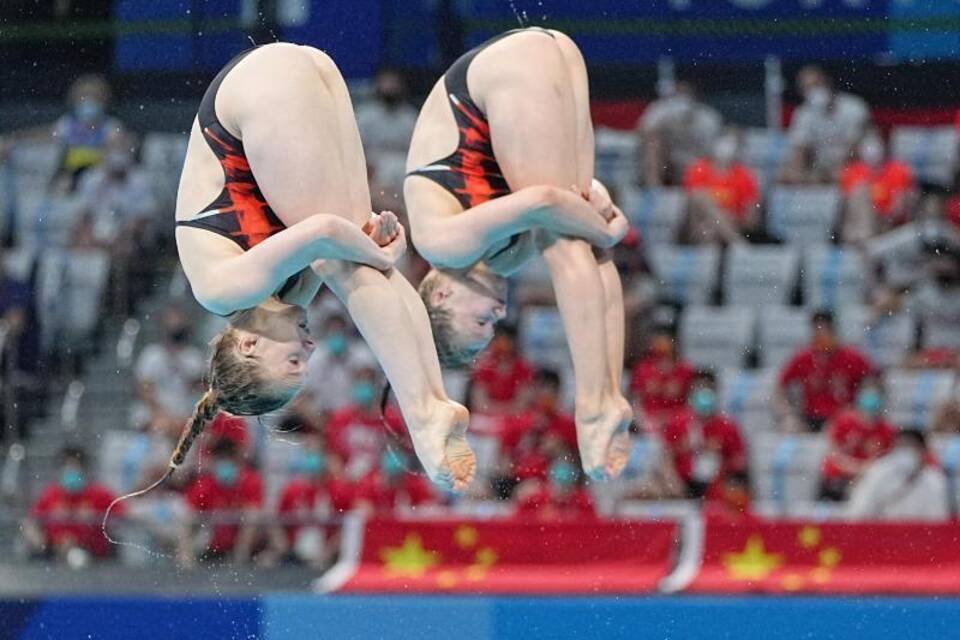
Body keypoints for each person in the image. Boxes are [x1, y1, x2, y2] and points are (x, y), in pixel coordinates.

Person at [170, 43, 473, 491]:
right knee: (356, 260)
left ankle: (422, 414)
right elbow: (352, 241)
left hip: (254, 95)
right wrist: (380, 245)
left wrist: (375, 252)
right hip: (297, 76)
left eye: (293, 359)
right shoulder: (289, 295)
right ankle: (434, 399)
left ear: (249, 346)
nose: (310, 349)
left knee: (345, 261)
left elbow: (324, 232)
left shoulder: (221, 291)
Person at [405, 28, 631, 480]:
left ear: (442, 298)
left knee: (565, 239)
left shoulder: (439, 244)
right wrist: (605, 226)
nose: (501, 313)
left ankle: (591, 406)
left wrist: (606, 234)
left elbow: (546, 201)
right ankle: (608, 390)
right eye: (493, 324)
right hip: (554, 56)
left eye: (482, 321)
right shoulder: (502, 258)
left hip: (496, 75)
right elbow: (586, 210)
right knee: (578, 242)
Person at [1, 74, 125, 189]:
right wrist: (16, 138)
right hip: (68, 175)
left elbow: (118, 148)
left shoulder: (111, 126)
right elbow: (47, 135)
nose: (88, 101)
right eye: (83, 97)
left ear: (104, 101)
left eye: (94, 97)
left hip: (98, 176)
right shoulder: (68, 124)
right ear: (75, 101)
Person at [775, 310, 873, 432]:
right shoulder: (803, 357)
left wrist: (865, 407)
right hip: (811, 419)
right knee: (791, 430)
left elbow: (872, 381)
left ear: (834, 331)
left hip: (845, 419)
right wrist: (787, 414)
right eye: (818, 330)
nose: (822, 335)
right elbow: (780, 387)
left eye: (826, 330)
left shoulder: (851, 357)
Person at [265, 437, 354, 567]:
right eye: (308, 454)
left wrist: (328, 552)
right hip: (294, 553)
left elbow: (349, 526)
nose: (311, 459)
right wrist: (285, 550)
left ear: (325, 459)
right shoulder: (292, 489)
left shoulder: (339, 490)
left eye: (315, 455)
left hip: (327, 555)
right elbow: (276, 522)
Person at [22, 447, 121, 563]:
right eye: (67, 468)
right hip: (53, 555)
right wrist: (40, 540)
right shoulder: (50, 494)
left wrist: (96, 518)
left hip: (93, 557)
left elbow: (123, 517)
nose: (71, 473)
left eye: (75, 468)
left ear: (84, 470)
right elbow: (30, 521)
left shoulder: (100, 494)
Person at [660, 371, 748, 501]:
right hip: (682, 486)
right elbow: (665, 458)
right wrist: (674, 484)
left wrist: (718, 456)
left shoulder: (727, 426)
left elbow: (740, 462)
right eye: (699, 389)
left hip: (717, 487)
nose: (704, 394)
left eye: (708, 389)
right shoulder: (677, 422)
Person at [178, 438, 263, 566]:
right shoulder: (205, 484)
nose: (225, 464)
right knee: (187, 520)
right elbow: (189, 515)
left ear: (237, 462)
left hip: (242, 539)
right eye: (221, 459)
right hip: (212, 537)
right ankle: (187, 563)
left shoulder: (251, 481)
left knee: (253, 516)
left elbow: (254, 513)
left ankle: (240, 560)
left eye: (228, 459)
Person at [780, 65, 870, 184]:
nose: (813, 91)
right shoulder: (803, 113)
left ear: (827, 82)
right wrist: (798, 171)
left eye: (815, 85)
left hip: (850, 164)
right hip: (820, 168)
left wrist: (837, 169)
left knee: (842, 174)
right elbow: (799, 148)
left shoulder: (854, 107)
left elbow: (856, 147)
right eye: (807, 88)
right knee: (785, 175)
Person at [845, 429, 949, 521]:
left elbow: (938, 520)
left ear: (923, 451)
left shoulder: (934, 479)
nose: (906, 452)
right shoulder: (878, 472)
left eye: (911, 446)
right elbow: (859, 512)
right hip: (883, 536)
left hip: (921, 537)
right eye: (902, 447)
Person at [819, 378, 897, 501]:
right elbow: (832, 453)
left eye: (876, 394)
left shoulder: (888, 430)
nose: (872, 398)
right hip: (839, 480)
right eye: (868, 393)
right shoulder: (842, 421)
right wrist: (856, 468)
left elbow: (888, 461)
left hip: (871, 482)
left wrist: (867, 471)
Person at [133, 307, 206, 437]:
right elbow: (145, 390)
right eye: (171, 325)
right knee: (159, 427)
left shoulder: (193, 357)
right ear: (163, 328)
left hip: (184, 415)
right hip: (156, 416)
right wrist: (161, 414)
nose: (175, 328)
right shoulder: (151, 355)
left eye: (178, 325)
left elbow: (200, 390)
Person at [637, 80, 723, 187]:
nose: (682, 100)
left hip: (695, 162)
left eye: (685, 94)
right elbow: (644, 132)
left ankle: (703, 189)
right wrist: (666, 121)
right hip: (669, 164)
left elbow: (713, 150)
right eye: (679, 94)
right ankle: (654, 189)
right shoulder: (661, 110)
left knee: (717, 155)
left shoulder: (708, 117)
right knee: (653, 143)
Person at [682, 129, 760, 245]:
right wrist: (719, 217)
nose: (727, 147)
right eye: (725, 141)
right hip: (697, 224)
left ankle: (733, 246)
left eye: (733, 143)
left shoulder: (744, 176)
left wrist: (728, 218)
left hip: (731, 225)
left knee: (709, 231)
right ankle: (738, 244)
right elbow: (692, 204)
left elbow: (751, 219)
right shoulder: (699, 169)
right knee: (700, 199)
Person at [839, 130, 916, 244]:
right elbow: (846, 206)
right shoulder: (852, 172)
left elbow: (899, 207)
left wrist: (883, 217)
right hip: (860, 224)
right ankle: (864, 238)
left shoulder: (898, 170)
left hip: (888, 224)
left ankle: (868, 238)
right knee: (860, 192)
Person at [629, 326, 696, 428]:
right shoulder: (643, 369)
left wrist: (671, 418)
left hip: (678, 419)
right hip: (649, 419)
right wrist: (641, 420)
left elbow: (693, 401)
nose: (662, 344)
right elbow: (635, 399)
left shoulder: (685, 369)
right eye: (659, 339)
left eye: (666, 339)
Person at [469, 324, 535, 417]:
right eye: (499, 340)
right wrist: (496, 414)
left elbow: (522, 403)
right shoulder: (484, 366)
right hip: (487, 416)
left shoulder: (524, 368)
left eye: (506, 341)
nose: (502, 344)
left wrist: (504, 414)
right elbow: (479, 403)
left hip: (514, 417)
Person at [355, 449, 438, 516]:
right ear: (383, 473)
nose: (395, 482)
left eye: (398, 478)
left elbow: (430, 506)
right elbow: (361, 505)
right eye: (392, 478)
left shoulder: (411, 484)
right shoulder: (370, 484)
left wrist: (415, 511)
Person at [515, 457, 596, 520]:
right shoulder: (535, 500)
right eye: (558, 486)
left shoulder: (583, 501)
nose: (562, 491)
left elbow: (592, 525)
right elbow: (519, 523)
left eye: (566, 487)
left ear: (573, 486)